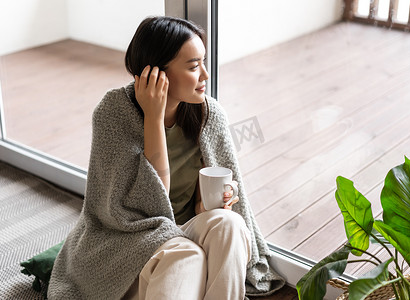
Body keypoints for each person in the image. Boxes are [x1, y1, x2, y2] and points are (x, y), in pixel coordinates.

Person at [47, 16, 285, 300]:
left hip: (182, 234)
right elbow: (140, 209)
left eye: (203, 63)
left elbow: (203, 210)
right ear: (156, 72)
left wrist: (216, 203)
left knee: (230, 224)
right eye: (194, 66)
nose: (205, 75)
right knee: (186, 255)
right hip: (126, 243)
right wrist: (154, 118)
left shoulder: (210, 115)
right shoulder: (113, 113)